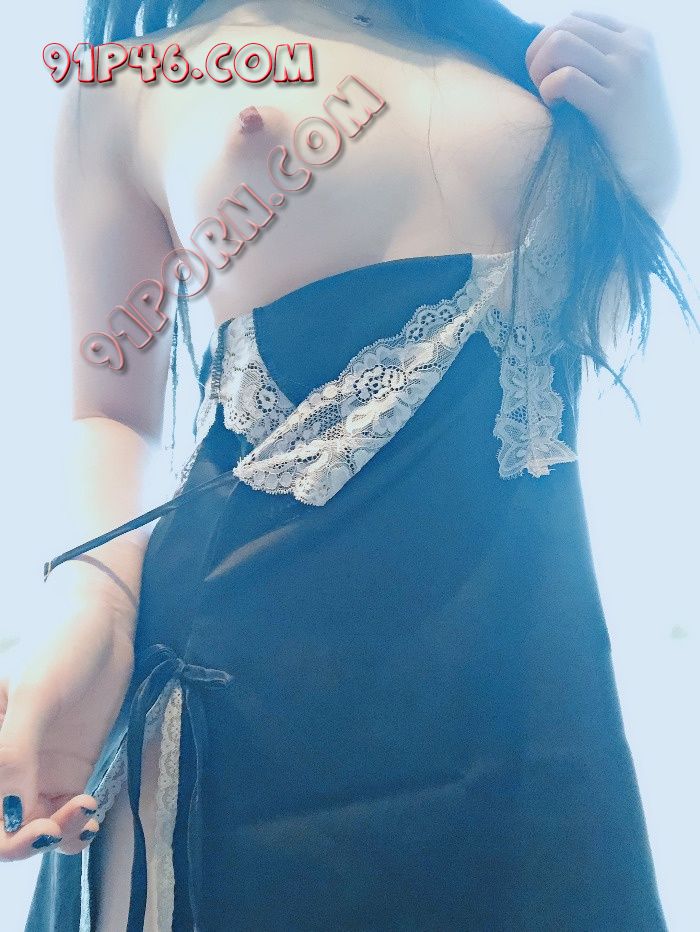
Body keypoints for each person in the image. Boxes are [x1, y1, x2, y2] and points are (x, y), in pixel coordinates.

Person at [2, 0, 696, 928]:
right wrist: (89, 606)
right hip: (253, 689)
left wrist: (649, 174)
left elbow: (563, 353)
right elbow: (110, 411)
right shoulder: (128, 87)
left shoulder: (527, 65)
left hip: (524, 678)